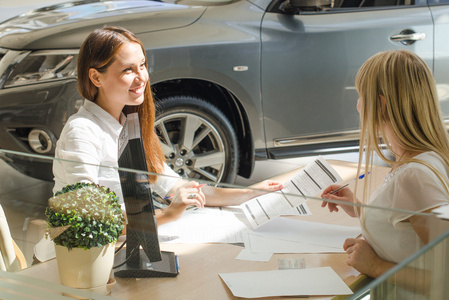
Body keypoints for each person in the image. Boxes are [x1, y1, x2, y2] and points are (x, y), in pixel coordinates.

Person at [52, 26, 283, 226]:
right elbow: (87, 218)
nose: (141, 77)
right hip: (76, 264)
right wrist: (166, 214)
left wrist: (251, 192)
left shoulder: (128, 124)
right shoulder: (81, 132)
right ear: (95, 78)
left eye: (142, 65)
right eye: (127, 70)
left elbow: (179, 188)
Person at [320, 50, 449, 278]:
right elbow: (407, 226)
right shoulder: (426, 155)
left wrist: (374, 266)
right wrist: (361, 209)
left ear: (381, 104)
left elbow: (448, 278)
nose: (358, 105)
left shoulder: (415, 176)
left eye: (361, 95)